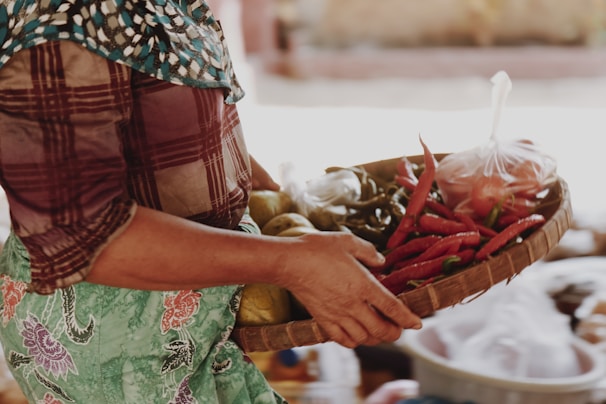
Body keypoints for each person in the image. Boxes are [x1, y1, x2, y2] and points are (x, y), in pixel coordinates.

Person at [0, 0, 422, 402]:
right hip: (114, 336)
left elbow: (157, 112)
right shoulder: (60, 16)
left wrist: (250, 180)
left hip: (185, 307)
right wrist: (291, 261)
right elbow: (83, 240)